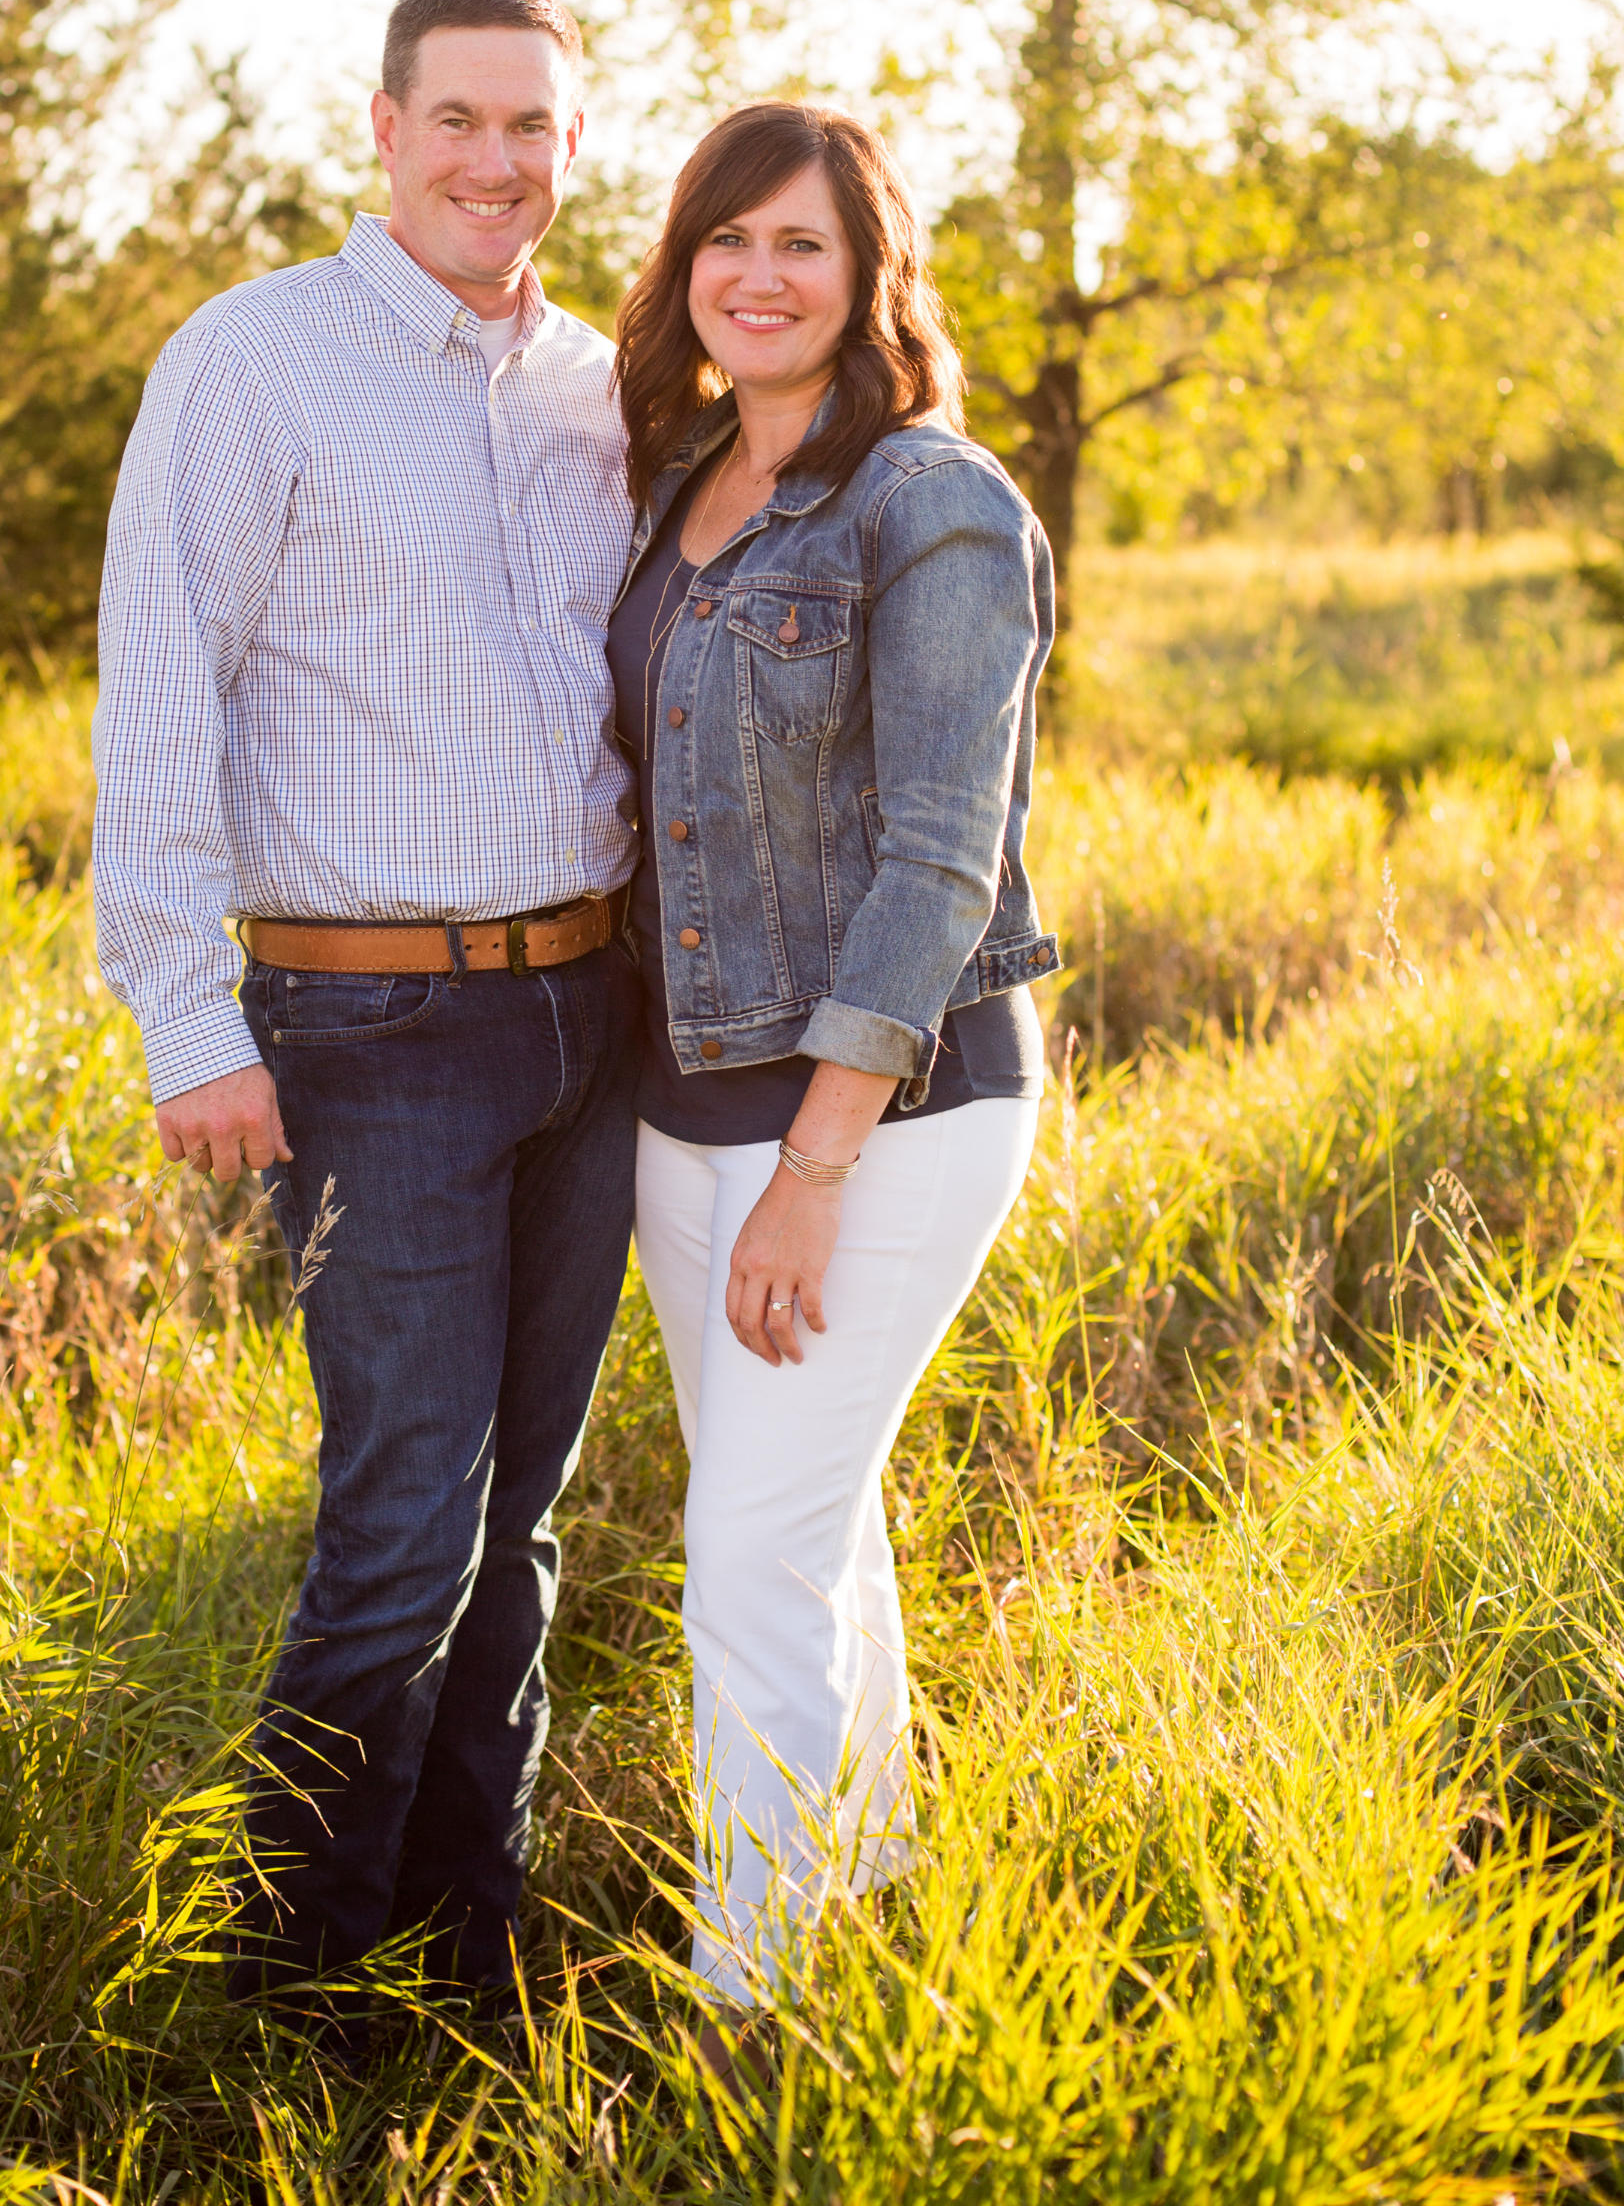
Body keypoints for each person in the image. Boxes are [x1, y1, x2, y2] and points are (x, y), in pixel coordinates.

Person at [92, 0, 642, 2032]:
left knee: (527, 1522)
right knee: (401, 1522)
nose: (496, 161)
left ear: (572, 151)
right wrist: (184, 1020)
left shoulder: (604, 387)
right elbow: (160, 687)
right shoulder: (257, 366)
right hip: (368, 1036)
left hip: (587, 1027)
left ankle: (463, 1932)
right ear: (385, 129)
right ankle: (290, 1981)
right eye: (460, 120)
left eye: (535, 128)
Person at [605, 100, 1059, 2038]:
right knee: (799, 1515)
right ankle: (862, 1884)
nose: (758, 277)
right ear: (685, 267)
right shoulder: (682, 474)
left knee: (745, 1557)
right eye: (726, 240)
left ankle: (749, 2012)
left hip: (885, 1111)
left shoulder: (933, 503)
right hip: (680, 1097)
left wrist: (814, 1161)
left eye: (800, 243)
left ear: (869, 272)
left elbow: (941, 861)